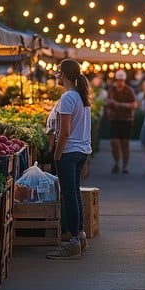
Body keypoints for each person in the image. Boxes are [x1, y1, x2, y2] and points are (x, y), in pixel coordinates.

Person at [46, 59, 92, 260]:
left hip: (69, 151)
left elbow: (64, 132)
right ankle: (80, 236)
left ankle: (73, 240)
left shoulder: (67, 98)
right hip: (82, 150)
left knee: (69, 195)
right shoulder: (82, 97)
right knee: (74, 194)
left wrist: (57, 153)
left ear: (64, 75)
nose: (56, 75)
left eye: (58, 72)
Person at [105, 69, 137, 174]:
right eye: (118, 80)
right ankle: (117, 162)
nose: (120, 82)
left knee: (125, 143)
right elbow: (108, 101)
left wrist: (118, 104)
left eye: (121, 80)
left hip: (126, 119)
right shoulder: (112, 90)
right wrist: (110, 104)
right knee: (114, 142)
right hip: (114, 118)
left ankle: (125, 165)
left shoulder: (129, 90)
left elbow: (134, 105)